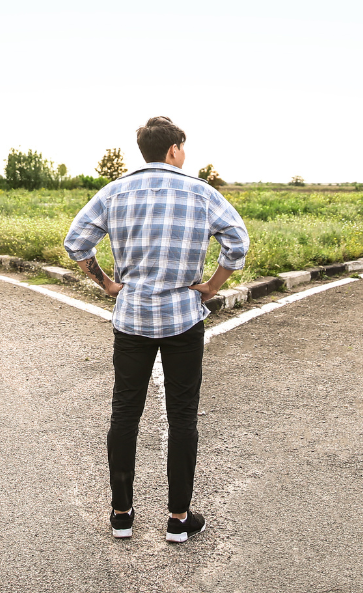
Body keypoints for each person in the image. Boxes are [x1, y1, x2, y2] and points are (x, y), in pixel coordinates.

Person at [64, 116, 250, 543]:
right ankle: (178, 519)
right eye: (182, 147)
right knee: (182, 416)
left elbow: (76, 243)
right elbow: (237, 243)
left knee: (125, 413)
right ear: (173, 150)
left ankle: (121, 515)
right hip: (183, 318)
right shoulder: (201, 192)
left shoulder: (114, 192)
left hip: (131, 319)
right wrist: (211, 287)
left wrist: (107, 283)